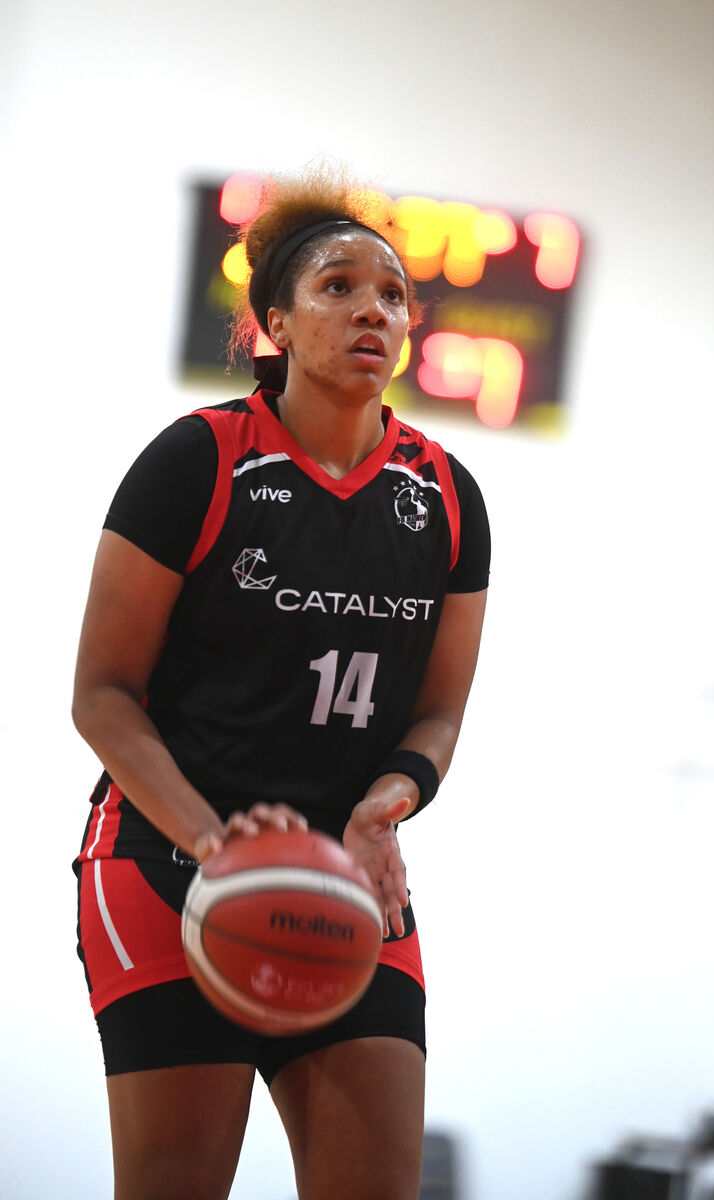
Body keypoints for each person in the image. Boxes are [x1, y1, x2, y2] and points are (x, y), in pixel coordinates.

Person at [72, 166, 490, 1200]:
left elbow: (436, 713)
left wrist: (385, 808)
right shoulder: (197, 461)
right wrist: (217, 846)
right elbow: (102, 695)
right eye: (338, 288)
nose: (373, 312)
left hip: (345, 879)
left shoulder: (444, 495)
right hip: (166, 861)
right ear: (273, 322)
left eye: (391, 296)